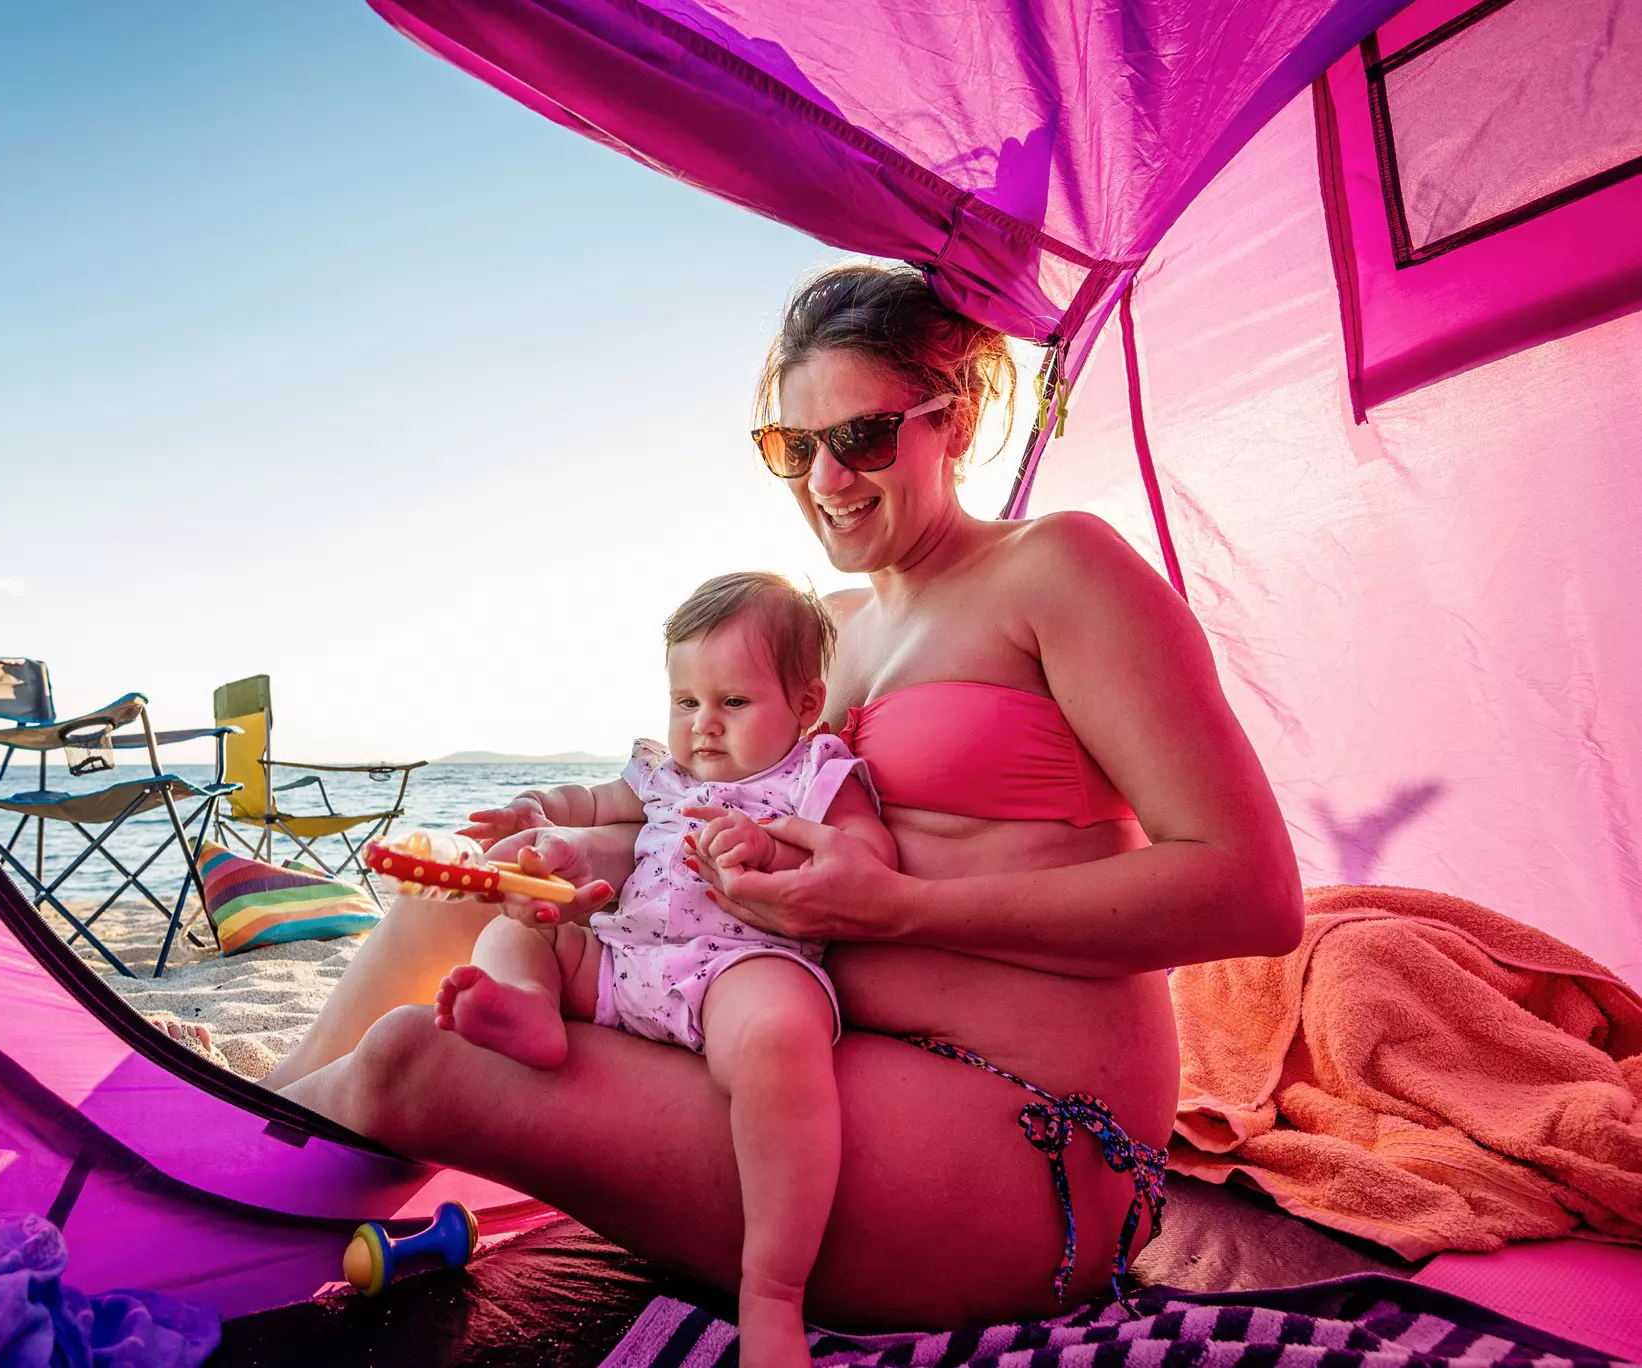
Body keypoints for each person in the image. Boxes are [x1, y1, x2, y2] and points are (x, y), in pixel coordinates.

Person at [274, 263, 1303, 1334]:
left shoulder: (1055, 568)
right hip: (809, 1060)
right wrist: (595, 856)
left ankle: (187, 1209)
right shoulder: (825, 633)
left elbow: (1251, 893)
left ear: (954, 418)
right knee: (462, 895)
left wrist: (898, 914)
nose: (826, 479)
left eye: (861, 436)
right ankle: (232, 1143)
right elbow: (705, 815)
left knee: (412, 1063)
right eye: (791, 447)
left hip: (1028, 1137)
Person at [441, 571, 894, 1364]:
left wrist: (775, 848)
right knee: (525, 925)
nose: (703, 727)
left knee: (782, 1038)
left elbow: (866, 857)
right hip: (626, 961)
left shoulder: (814, 774)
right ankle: (527, 1009)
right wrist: (536, 814)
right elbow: (590, 803)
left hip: (744, 965)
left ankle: (773, 1293)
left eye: (732, 703)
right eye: (686, 703)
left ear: (804, 705)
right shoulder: (661, 774)